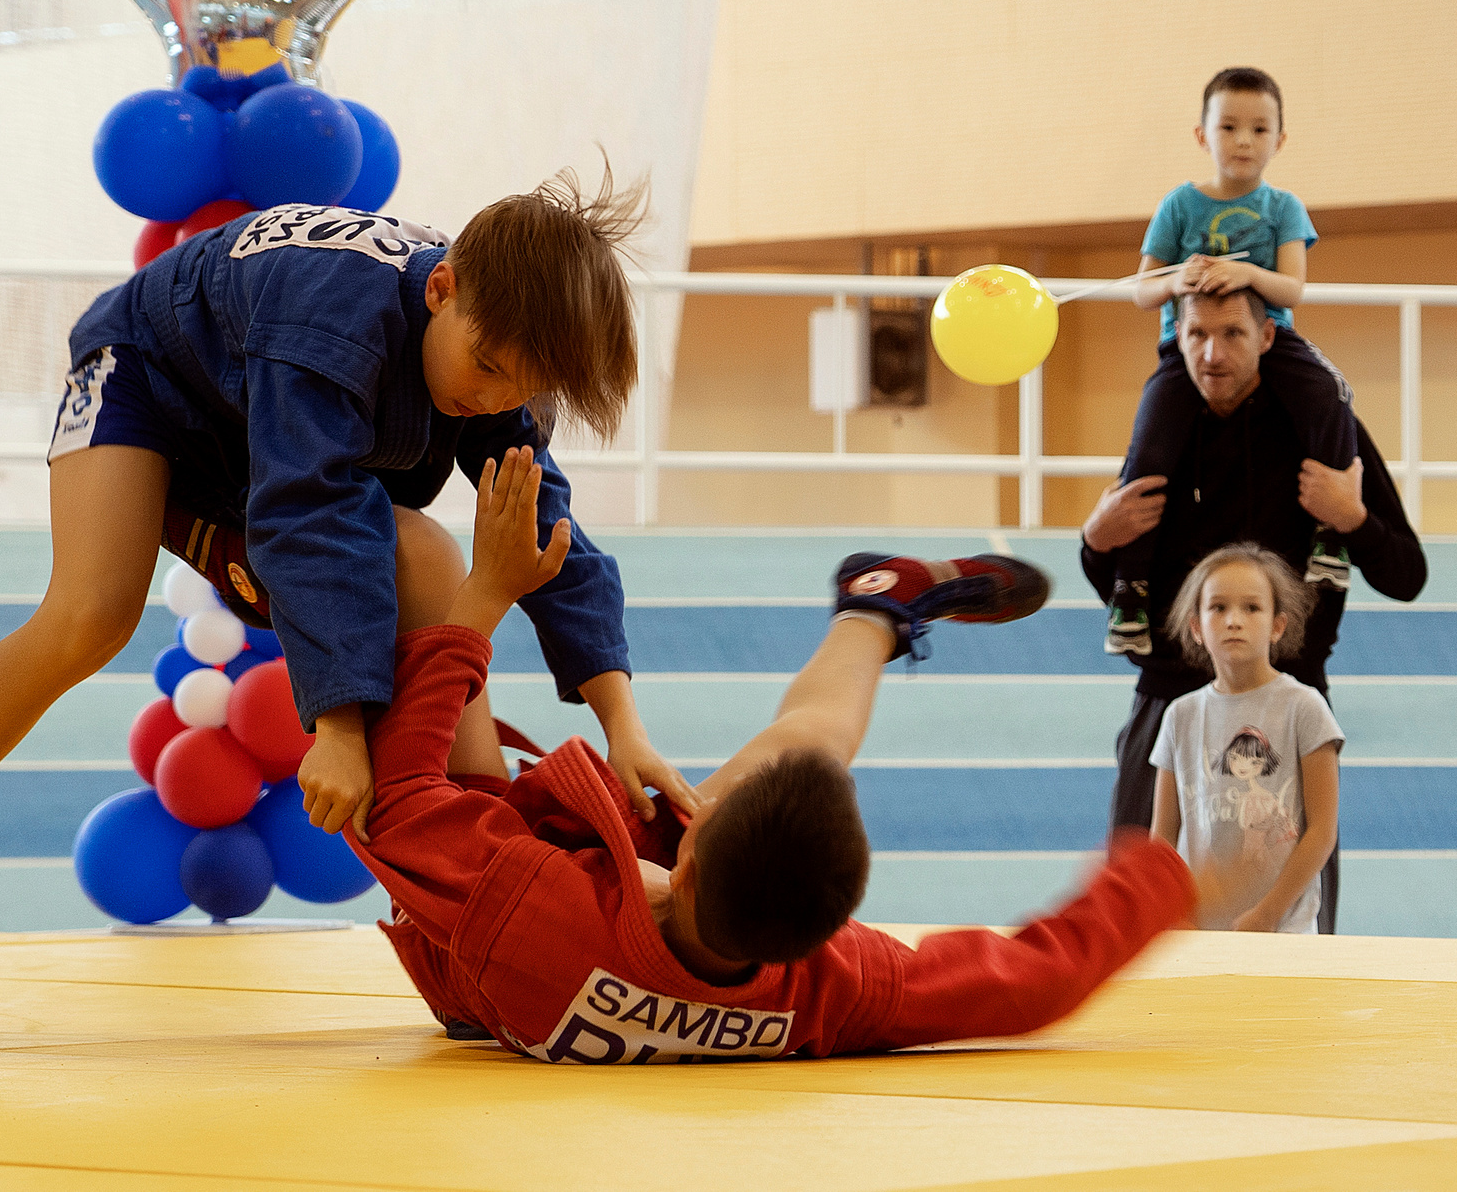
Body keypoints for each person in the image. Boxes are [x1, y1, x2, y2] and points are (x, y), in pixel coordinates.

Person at [0, 172, 692, 1001]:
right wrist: (340, 727)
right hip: (148, 385)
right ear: (442, 289)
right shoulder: (334, 316)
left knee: (426, 553)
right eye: (489, 366)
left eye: (522, 386)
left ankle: (477, 917)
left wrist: (625, 725)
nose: (494, 394)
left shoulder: (496, 360)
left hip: (254, 441)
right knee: (90, 615)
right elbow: (311, 512)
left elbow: (545, 531)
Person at [351, 447, 1197, 1063]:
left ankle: (876, 614)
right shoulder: (828, 990)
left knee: (418, 548)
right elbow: (1024, 982)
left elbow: (397, 804)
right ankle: (878, 604)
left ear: (685, 864)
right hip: (556, 945)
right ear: (819, 938)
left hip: (476, 953)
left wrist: (484, 600)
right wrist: (1166, 879)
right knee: (804, 751)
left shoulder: (524, 903)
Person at [1082, 283, 1423, 933]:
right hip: (1170, 703)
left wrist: (1353, 518)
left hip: (1287, 706)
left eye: (1233, 333)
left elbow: (1407, 572)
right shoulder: (1161, 434)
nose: (1212, 352)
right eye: (1197, 334)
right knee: (1129, 927)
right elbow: (1118, 586)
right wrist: (1095, 539)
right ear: (1175, 338)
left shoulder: (1324, 433)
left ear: (1268, 335)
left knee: (1293, 929)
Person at [1107, 67, 1357, 657]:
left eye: (1259, 128)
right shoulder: (1180, 205)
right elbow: (1141, 292)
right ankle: (1130, 588)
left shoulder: (1282, 207)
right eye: (1229, 126)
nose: (1244, 140)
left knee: (1332, 391)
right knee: (1149, 446)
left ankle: (1329, 537)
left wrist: (1247, 274)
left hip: (1269, 339)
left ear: (1279, 141)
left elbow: (1293, 289)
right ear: (1202, 135)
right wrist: (1176, 277)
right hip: (1186, 350)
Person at [1149, 544, 1342, 934]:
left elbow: (1322, 831)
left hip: (1280, 931)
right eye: (1218, 608)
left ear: (1277, 625)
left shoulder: (1304, 708)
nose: (1234, 620)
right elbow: (1163, 836)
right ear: (1196, 628)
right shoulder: (1180, 717)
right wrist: (1167, 911)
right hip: (1197, 931)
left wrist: (1268, 914)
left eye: (1252, 608)